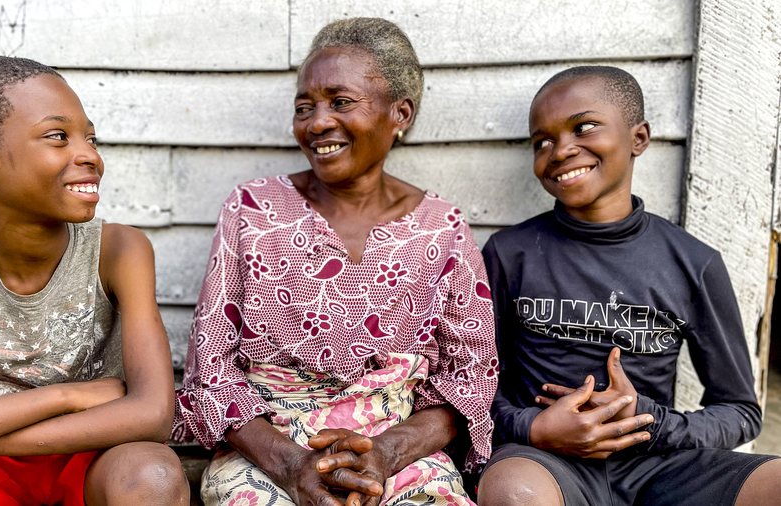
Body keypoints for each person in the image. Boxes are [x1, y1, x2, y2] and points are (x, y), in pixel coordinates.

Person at [174, 17, 498, 506]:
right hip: (267, 452)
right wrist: (292, 465)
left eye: (340, 102)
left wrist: (383, 454)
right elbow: (211, 367)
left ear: (400, 113)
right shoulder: (253, 210)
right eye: (305, 107)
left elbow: (469, 379)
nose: (317, 122)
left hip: (398, 452)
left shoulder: (442, 227)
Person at [0, 55, 189, 506]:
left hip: (97, 454)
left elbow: (153, 414)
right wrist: (65, 396)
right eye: (58, 136)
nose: (90, 156)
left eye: (90, 138)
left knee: (154, 476)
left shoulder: (120, 250)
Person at [477, 65, 781, 506]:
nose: (560, 150)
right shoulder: (510, 253)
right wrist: (532, 428)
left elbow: (740, 411)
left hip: (658, 462)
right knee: (514, 493)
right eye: (543, 141)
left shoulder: (693, 263)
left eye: (584, 127)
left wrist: (651, 422)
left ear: (638, 138)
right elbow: (475, 384)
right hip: (543, 459)